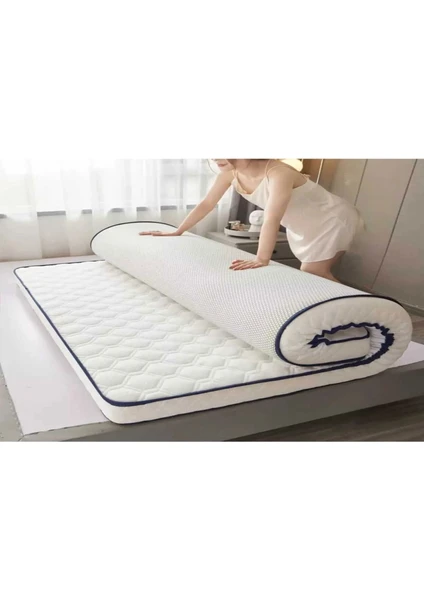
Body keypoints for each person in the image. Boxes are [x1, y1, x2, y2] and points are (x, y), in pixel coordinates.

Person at [139, 159, 364, 282]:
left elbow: (272, 218)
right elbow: (207, 204)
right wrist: (178, 231)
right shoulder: (229, 174)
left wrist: (261, 258)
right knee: (315, 275)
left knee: (313, 272)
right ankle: (346, 311)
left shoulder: (279, 172)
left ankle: (365, 312)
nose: (215, 157)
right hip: (302, 224)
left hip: (330, 219)